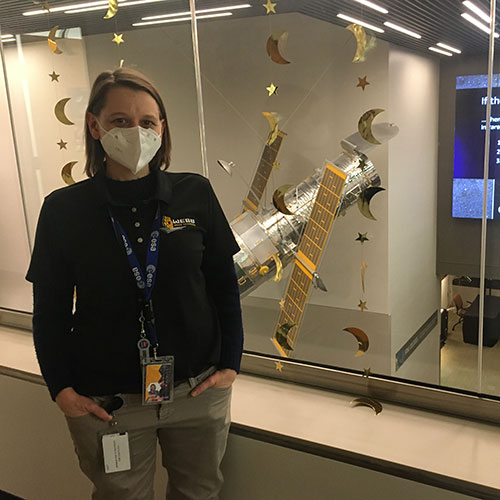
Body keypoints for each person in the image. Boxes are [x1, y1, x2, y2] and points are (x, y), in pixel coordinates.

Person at [26, 68, 244, 500]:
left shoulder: (194, 193)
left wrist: (231, 363)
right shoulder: (64, 210)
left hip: (197, 390)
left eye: (147, 122)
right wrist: (61, 389)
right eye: (120, 121)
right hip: (109, 403)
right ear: (95, 126)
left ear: (162, 128)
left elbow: (224, 285)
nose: (136, 132)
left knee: (200, 493)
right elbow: (49, 310)